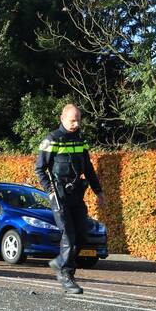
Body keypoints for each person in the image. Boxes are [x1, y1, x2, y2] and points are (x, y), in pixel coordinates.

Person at [34, 104, 106, 295]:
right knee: (69, 236)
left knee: (83, 235)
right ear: (62, 118)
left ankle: (59, 261)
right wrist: (50, 191)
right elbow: (40, 169)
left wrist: (98, 191)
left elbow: (88, 168)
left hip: (76, 195)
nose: (75, 124)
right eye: (72, 120)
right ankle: (66, 275)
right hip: (59, 195)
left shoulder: (81, 140)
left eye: (78, 120)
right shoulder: (52, 139)